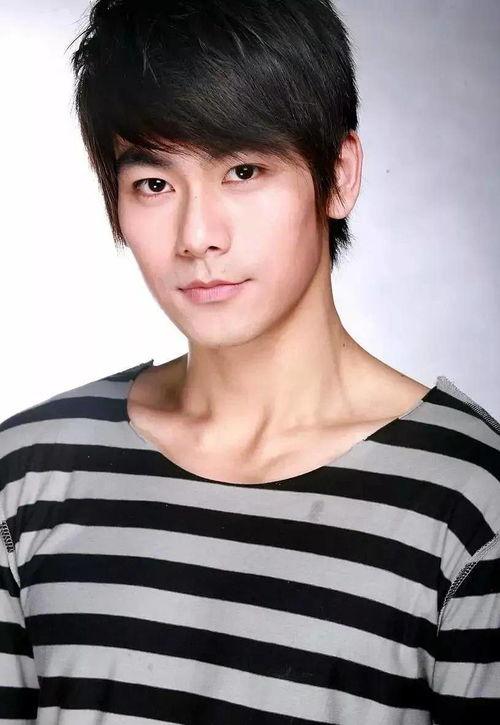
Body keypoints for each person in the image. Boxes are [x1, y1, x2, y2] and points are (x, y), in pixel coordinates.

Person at [1, 0, 499, 722]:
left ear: (338, 176)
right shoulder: (27, 478)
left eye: (242, 170)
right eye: (154, 184)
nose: (197, 235)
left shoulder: (472, 508)